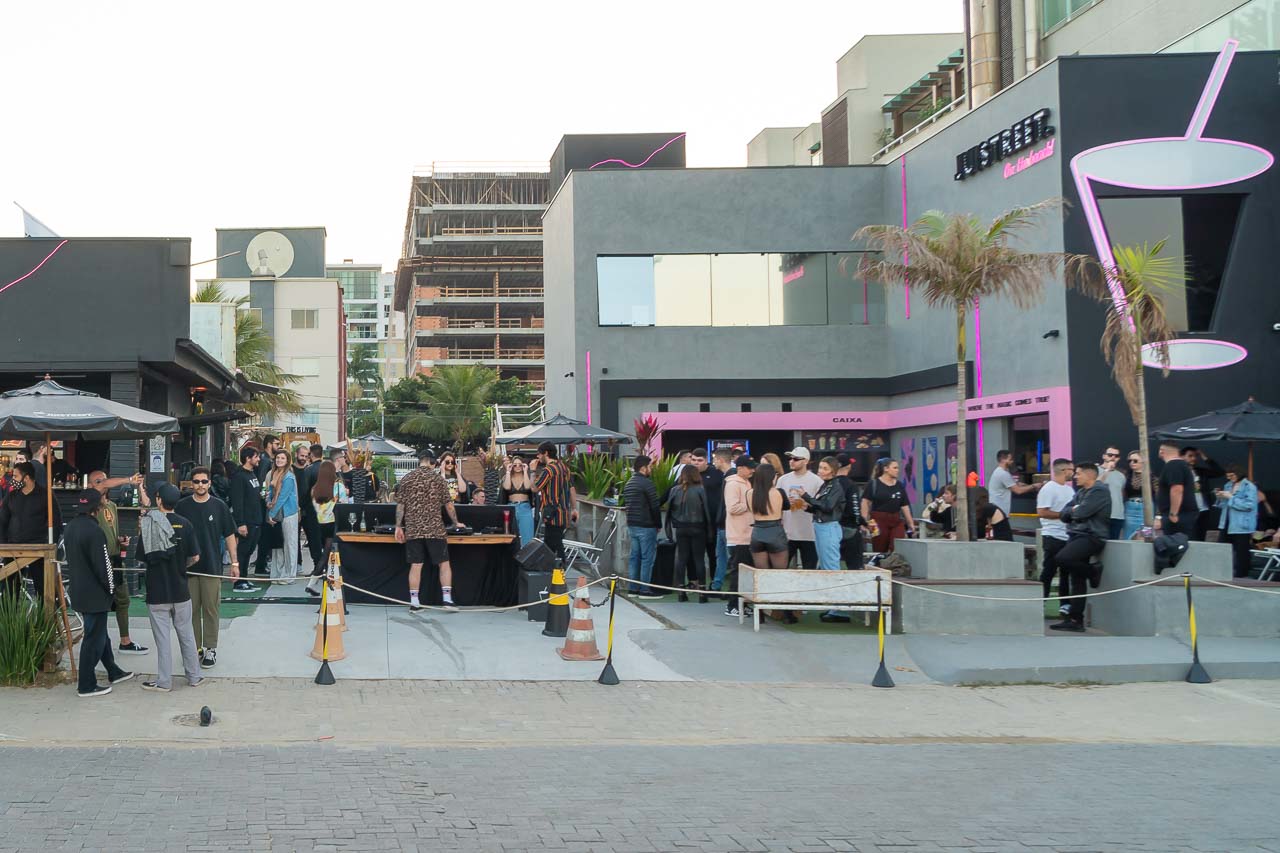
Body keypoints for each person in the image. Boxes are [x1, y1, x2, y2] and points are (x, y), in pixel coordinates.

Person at [64, 488, 134, 697]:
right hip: (94, 592)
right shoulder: (95, 531)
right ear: (98, 508)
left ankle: (113, 670)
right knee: (93, 638)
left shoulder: (71, 527)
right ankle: (86, 684)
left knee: (99, 634)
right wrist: (110, 589)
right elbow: (103, 566)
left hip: (78, 588)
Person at [135, 484, 203, 691]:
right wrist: (181, 567)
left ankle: (164, 682)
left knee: (162, 639)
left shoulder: (148, 525)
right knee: (187, 634)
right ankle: (194, 676)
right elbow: (195, 556)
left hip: (157, 591)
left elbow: (142, 559)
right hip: (181, 589)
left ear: (158, 500)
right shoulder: (186, 524)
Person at [176, 466, 238, 669]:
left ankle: (210, 648)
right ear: (191, 484)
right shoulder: (182, 506)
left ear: (209, 483)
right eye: (196, 481)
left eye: (204, 481)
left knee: (211, 609)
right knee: (190, 610)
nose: (200, 485)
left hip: (212, 566)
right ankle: (195, 648)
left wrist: (235, 563)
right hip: (188, 568)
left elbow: (230, 535)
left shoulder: (219, 506)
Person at [87, 470, 148, 655]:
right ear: (91, 485)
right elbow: (103, 485)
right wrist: (128, 479)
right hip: (98, 560)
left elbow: (111, 530)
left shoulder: (112, 506)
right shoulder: (91, 505)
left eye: (104, 480)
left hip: (115, 558)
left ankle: (125, 640)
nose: (103, 483)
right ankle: (100, 641)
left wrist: (120, 541)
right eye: (98, 481)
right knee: (100, 603)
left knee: (123, 600)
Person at [395, 450, 461, 610]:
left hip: (413, 528)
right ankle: (447, 600)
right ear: (432, 462)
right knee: (444, 564)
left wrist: (398, 526)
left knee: (416, 565)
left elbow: (400, 506)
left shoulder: (407, 479)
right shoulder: (438, 479)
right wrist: (456, 522)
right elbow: (449, 505)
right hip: (435, 529)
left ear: (420, 461)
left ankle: (415, 603)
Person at [1050, 462, 1111, 633]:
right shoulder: (1081, 492)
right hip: (1077, 535)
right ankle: (1076, 619)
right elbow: (1064, 513)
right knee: (1076, 578)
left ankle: (1092, 571)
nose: (1075, 476)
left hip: (1092, 536)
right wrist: (1074, 511)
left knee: (1063, 558)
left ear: (1089, 475)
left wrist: (1074, 511)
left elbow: (1081, 513)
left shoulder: (1099, 491)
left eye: (1078, 473)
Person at [0, 461, 62, 595]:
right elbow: (2, 521)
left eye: (16, 476)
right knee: (10, 589)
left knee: (42, 587)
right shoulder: (11, 496)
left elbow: (56, 522)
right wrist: (4, 545)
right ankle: (11, 616)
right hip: (13, 548)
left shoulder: (46, 496)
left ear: (26, 478)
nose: (12, 480)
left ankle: (44, 616)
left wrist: (50, 546)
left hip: (39, 548)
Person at [801, 456, 851, 623]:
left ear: (833, 471)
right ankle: (833, 605)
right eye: (820, 467)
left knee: (831, 566)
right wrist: (808, 507)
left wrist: (807, 498)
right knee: (825, 565)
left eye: (824, 468)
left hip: (829, 527)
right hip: (822, 525)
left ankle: (839, 608)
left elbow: (828, 506)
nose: (820, 471)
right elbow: (823, 507)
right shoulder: (827, 485)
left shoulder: (835, 486)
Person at [746, 463, 795, 624]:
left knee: (762, 576)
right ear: (772, 477)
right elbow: (786, 507)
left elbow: (749, 509)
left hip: (757, 532)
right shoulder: (779, 493)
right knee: (780, 576)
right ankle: (786, 613)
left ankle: (759, 612)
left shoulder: (749, 493)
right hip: (775, 532)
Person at [666, 464, 713, 602]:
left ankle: (681, 592)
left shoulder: (675, 490)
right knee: (699, 559)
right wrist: (709, 530)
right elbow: (707, 512)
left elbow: (670, 510)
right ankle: (702, 592)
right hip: (698, 528)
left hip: (681, 528)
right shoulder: (700, 490)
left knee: (682, 558)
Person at [622, 455, 662, 599]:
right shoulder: (647, 483)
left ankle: (633, 589)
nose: (651, 469)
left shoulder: (629, 483)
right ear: (643, 468)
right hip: (646, 525)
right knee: (647, 559)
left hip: (632, 524)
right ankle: (645, 590)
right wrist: (658, 524)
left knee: (634, 557)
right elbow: (654, 506)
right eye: (650, 466)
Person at [1036, 459, 1076, 605]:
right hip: (1052, 535)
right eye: (1072, 470)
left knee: (1066, 572)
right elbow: (1042, 511)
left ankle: (1064, 605)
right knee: (1049, 570)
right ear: (1064, 470)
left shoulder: (1070, 489)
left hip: (1068, 535)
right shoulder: (1048, 489)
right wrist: (1063, 515)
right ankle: (1042, 601)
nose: (1074, 473)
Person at [530, 442, 577, 563]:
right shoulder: (564, 467)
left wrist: (532, 471)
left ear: (546, 453)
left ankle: (558, 571)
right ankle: (553, 571)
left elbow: (535, 488)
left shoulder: (549, 470)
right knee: (553, 542)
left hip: (552, 514)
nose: (538, 457)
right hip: (563, 512)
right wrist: (574, 508)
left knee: (552, 545)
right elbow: (571, 488)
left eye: (539, 453)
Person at [778, 447, 822, 569]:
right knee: (781, 569)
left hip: (809, 533)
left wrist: (806, 504)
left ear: (805, 461)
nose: (791, 461)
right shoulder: (783, 480)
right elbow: (776, 503)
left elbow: (820, 506)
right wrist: (786, 502)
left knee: (809, 570)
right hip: (787, 532)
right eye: (790, 458)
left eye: (796, 459)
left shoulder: (816, 481)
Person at [723, 455, 756, 616]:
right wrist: (751, 503)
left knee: (744, 572)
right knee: (737, 572)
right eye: (750, 467)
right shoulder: (733, 484)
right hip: (737, 536)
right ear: (740, 468)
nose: (752, 470)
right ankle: (732, 605)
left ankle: (742, 603)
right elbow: (732, 508)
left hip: (747, 534)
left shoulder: (747, 482)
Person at [228, 445, 263, 593]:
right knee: (242, 551)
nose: (258, 459)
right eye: (256, 457)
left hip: (256, 519)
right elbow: (237, 501)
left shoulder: (252, 474)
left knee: (249, 551)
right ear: (248, 458)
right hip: (246, 520)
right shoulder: (239, 476)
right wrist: (240, 523)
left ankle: (245, 578)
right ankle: (238, 582)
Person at [861, 458, 915, 552]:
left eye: (898, 468)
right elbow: (865, 503)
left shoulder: (899, 485)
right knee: (879, 548)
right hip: (876, 520)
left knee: (897, 546)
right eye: (895, 468)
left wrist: (910, 523)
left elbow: (905, 506)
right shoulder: (873, 484)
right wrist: (864, 521)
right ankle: (880, 565)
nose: (897, 470)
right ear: (886, 469)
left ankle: (894, 565)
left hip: (896, 519)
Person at [696, 449, 730, 594]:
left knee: (718, 555)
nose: (697, 463)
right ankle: (709, 585)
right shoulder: (691, 475)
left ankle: (717, 586)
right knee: (712, 555)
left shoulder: (724, 475)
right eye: (694, 460)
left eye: (700, 460)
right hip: (703, 522)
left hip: (721, 523)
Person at [1216, 464, 1258, 578]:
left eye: (1232, 475)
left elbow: (1249, 505)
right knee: (1222, 549)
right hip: (1226, 522)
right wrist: (1220, 497)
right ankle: (1222, 573)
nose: (1230, 478)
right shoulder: (1228, 485)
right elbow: (1223, 505)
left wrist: (1231, 497)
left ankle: (1241, 575)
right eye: (1228, 476)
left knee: (1241, 551)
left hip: (1241, 524)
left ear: (1239, 473)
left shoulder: (1249, 486)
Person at [265, 449, 300, 583]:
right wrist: (268, 502)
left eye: (282, 458)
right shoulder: (274, 474)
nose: (279, 460)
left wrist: (271, 514)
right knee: (278, 544)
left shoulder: (289, 476)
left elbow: (283, 497)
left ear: (287, 461)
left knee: (289, 544)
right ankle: (277, 574)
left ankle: (289, 576)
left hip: (288, 513)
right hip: (276, 511)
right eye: (278, 458)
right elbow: (270, 492)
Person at [1156, 441, 1199, 538]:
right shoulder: (1181, 465)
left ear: (1161, 451)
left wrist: (1173, 514)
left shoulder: (1174, 465)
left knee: (1176, 545)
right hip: (1180, 514)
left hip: (1179, 515)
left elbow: (1177, 489)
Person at [1183, 446, 1225, 541]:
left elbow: (1220, 472)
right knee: (1190, 536)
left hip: (1203, 509)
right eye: (1190, 456)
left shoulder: (1200, 471)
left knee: (1201, 535)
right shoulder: (1179, 471)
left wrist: (1204, 456)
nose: (1193, 458)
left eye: (1195, 456)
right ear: (1182, 457)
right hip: (1188, 510)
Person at [311, 459, 348, 568]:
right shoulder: (338, 487)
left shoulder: (314, 489)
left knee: (325, 551)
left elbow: (315, 508)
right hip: (333, 522)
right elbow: (344, 505)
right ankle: (314, 578)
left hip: (319, 523)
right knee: (328, 554)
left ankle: (323, 575)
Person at [835, 454, 868, 567]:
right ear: (848, 466)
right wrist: (862, 523)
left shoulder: (828, 484)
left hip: (831, 530)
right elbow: (855, 510)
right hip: (849, 530)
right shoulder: (851, 485)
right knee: (855, 566)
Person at [987, 450, 1040, 516]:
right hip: (999, 512)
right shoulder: (1002, 474)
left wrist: (1032, 487)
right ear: (1003, 460)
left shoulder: (1002, 472)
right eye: (1010, 459)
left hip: (999, 511)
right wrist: (1034, 486)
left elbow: (1017, 485)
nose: (1012, 461)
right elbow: (1018, 490)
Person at [500, 454, 537, 547]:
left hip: (524, 507)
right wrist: (508, 471)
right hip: (511, 507)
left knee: (527, 536)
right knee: (510, 534)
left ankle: (526, 558)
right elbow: (507, 487)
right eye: (515, 465)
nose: (517, 467)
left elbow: (528, 487)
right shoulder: (506, 477)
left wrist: (525, 471)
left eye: (520, 464)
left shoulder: (526, 476)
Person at [1121, 451, 1155, 541]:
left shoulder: (1151, 477)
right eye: (1130, 461)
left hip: (1146, 509)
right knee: (1128, 537)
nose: (1132, 463)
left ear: (1143, 461)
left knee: (1146, 536)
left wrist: (1158, 515)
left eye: (1135, 460)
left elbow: (1158, 496)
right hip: (1130, 509)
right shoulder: (1126, 475)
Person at [1100, 446, 1127, 540]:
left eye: (1116, 456)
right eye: (1110, 455)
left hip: (1117, 515)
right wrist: (1107, 470)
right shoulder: (1096, 470)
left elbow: (1121, 494)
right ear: (1104, 456)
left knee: (1114, 544)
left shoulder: (1121, 476)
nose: (1113, 458)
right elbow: (1096, 485)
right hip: (1102, 515)